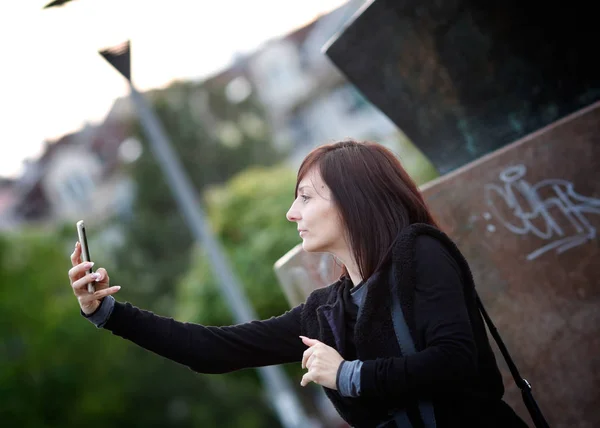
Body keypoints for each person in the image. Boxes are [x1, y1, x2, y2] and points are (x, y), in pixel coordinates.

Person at [68, 140, 529, 428]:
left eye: (305, 198)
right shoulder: (326, 312)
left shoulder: (419, 252)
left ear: (354, 202)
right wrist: (106, 313)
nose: (292, 213)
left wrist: (348, 374)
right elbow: (211, 351)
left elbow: (454, 360)